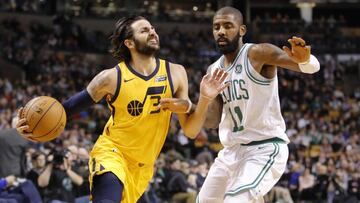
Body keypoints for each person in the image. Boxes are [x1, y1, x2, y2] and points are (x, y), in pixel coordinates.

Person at [15, 16, 228, 203]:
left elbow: (191, 131)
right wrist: (28, 125)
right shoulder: (110, 78)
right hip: (112, 153)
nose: (153, 32)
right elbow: (64, 110)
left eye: (153, 28)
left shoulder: (175, 73)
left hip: (142, 167)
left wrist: (203, 100)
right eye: (144, 30)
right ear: (129, 43)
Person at [156, 6, 320, 202]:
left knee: (236, 199)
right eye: (216, 27)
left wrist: (306, 60)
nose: (221, 31)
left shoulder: (257, 53)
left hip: (264, 147)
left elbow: (308, 67)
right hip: (230, 153)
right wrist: (189, 107)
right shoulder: (214, 69)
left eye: (228, 26)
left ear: (242, 30)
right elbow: (212, 120)